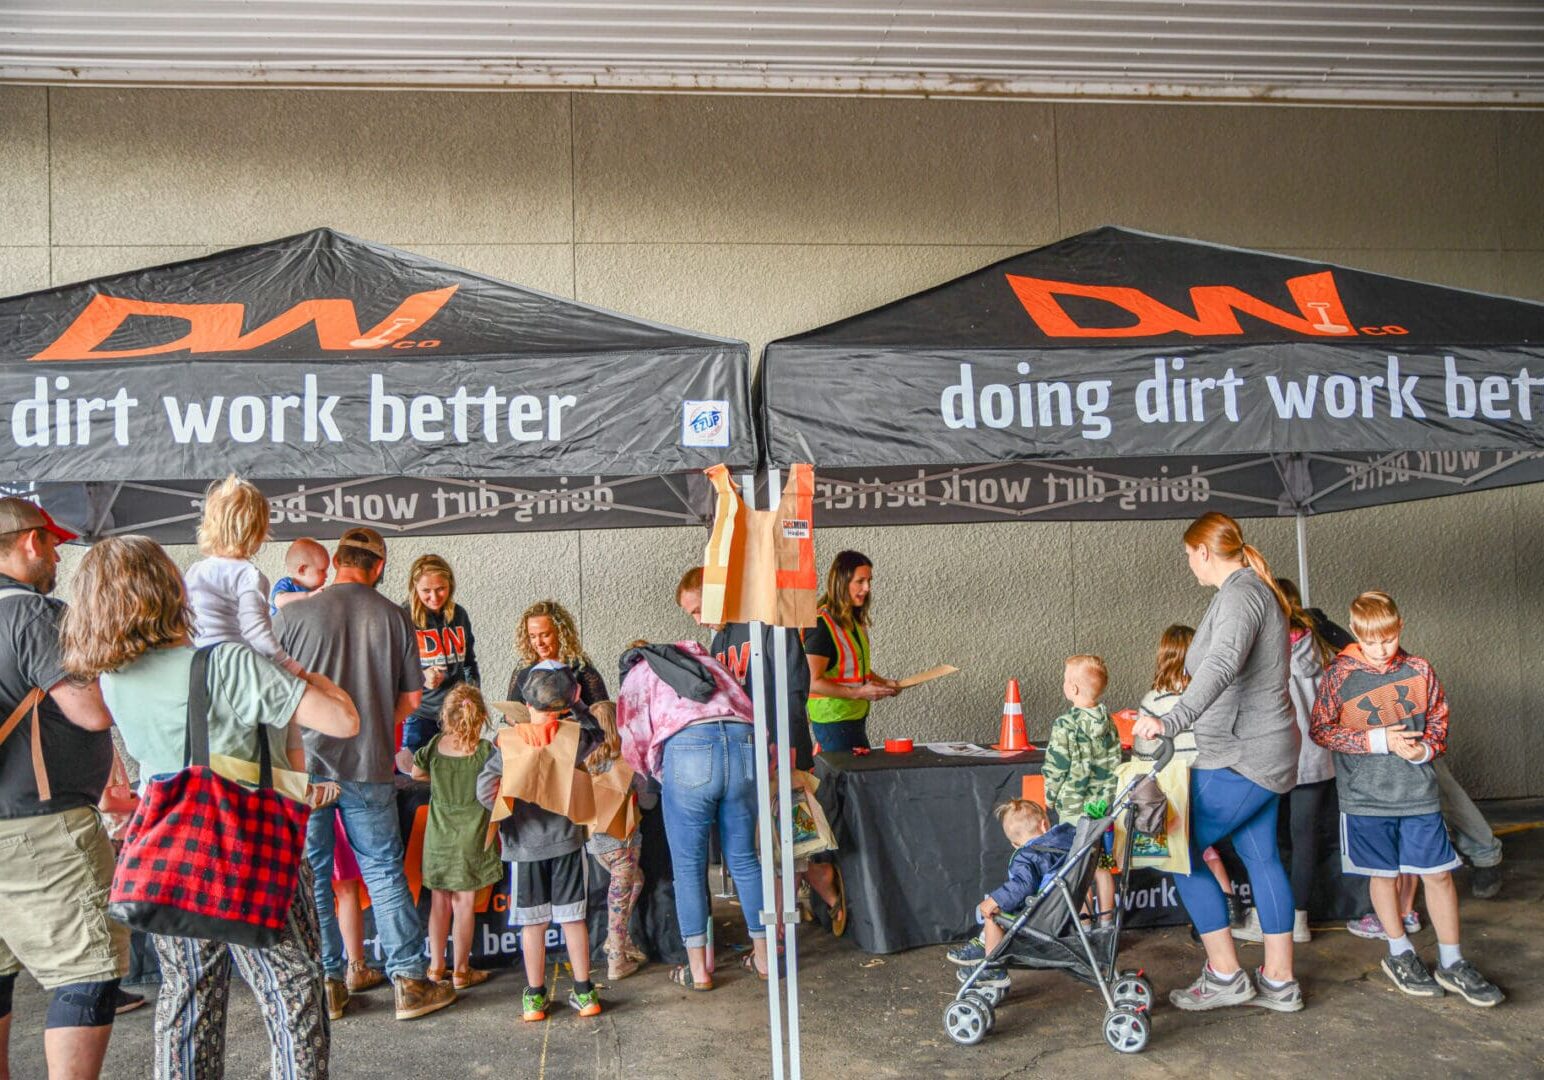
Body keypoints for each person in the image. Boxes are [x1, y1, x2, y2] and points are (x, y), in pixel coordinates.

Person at [61, 534, 360, 1080]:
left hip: (168, 852)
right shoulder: (228, 664)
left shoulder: (113, 678)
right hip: (246, 846)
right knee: (291, 989)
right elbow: (343, 721)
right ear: (166, 590)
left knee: (187, 998)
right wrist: (291, 668)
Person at [274, 527, 455, 1023]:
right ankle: (411, 984)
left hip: (306, 766)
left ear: (335, 562)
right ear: (379, 566)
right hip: (369, 762)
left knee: (315, 878)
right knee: (382, 869)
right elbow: (414, 701)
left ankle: (329, 985)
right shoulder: (394, 616)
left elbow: (278, 690)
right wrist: (376, 722)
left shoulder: (294, 614)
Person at [1131, 511, 1302, 1014]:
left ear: (1203, 551)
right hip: (1258, 750)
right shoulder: (1248, 592)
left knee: (1176, 848)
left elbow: (1223, 664)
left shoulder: (1242, 594)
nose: (1189, 564)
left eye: (1188, 555)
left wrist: (1171, 720)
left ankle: (1226, 974)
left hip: (1242, 754)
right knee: (1262, 857)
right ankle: (1279, 980)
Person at [1309, 591, 1503, 1007]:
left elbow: (1438, 722)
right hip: (1365, 799)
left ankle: (1452, 961)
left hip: (1418, 794)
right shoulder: (1339, 675)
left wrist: (1426, 750)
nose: (1380, 651)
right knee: (1384, 876)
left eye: (1388, 639)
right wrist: (1378, 740)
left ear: (1400, 629)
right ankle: (1399, 953)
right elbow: (1321, 730)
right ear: (1356, 633)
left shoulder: (1420, 669)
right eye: (1370, 641)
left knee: (1439, 875)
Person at [0, 499, 125, 1080]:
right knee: (88, 973)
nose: (56, 556)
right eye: (51, 544)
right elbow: (92, 710)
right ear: (29, 542)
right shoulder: (35, 614)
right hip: (42, 829)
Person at [674, 567, 836, 928]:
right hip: (748, 757)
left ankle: (781, 926)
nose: (699, 620)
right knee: (760, 848)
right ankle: (786, 916)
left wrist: (790, 746)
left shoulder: (767, 624)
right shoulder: (720, 642)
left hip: (781, 750)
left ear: (719, 594)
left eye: (700, 609)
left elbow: (795, 687)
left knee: (790, 844)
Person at [616, 640, 769, 991]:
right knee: (745, 859)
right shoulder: (709, 662)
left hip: (688, 747)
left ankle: (698, 970)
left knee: (688, 869)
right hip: (744, 743)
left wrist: (655, 775)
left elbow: (633, 735)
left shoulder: (642, 670)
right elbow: (747, 708)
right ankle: (763, 957)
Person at [476, 664, 603, 1021]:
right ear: (564, 704)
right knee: (573, 920)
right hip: (565, 842)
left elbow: (486, 792)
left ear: (526, 703)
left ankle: (534, 997)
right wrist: (578, 706)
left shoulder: (508, 743)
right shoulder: (571, 737)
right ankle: (584, 992)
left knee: (533, 925)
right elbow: (598, 734)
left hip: (523, 846)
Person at [1232, 577, 1337, 945]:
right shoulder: (1321, 649)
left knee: (1269, 843)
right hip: (1317, 760)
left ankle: (1269, 918)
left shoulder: (1265, 651)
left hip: (1274, 759)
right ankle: (1299, 921)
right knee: (1305, 840)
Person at [1137, 625, 1243, 932]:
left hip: (1174, 788)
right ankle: (1229, 904)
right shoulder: (1207, 695)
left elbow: (1146, 754)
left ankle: (1213, 915)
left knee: (1191, 852)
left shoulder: (1154, 700)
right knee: (1206, 848)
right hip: (1210, 779)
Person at [409, 683, 501, 989]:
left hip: (439, 837)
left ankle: (436, 968)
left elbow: (415, 773)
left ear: (446, 716)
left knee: (439, 903)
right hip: (471, 837)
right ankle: (461, 970)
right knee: (464, 904)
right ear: (481, 717)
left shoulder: (436, 745)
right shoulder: (486, 751)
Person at [183, 475, 304, 676]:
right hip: (236, 668)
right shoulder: (249, 576)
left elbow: (185, 620)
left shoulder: (195, 570)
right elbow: (255, 632)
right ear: (258, 530)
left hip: (200, 665)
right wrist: (291, 666)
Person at [946, 798, 1074, 975]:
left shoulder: (1027, 856)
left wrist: (994, 900)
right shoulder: (1069, 841)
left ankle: (991, 969)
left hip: (1039, 918)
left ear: (1015, 844)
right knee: (1001, 906)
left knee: (992, 913)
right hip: (1061, 911)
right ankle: (983, 945)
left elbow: (1023, 885)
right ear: (1045, 825)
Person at [1041, 655, 1120, 924]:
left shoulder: (1065, 724)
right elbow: (1116, 762)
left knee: (1079, 867)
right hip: (1104, 809)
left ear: (1072, 689)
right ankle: (1107, 922)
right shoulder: (1109, 722)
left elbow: (1057, 764)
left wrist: (1050, 795)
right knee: (1102, 865)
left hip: (1075, 808)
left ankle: (1084, 922)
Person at [802, 550, 899, 754]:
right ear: (841, 582)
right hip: (833, 721)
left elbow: (854, 667)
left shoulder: (853, 621)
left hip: (852, 719)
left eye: (869, 581)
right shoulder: (822, 624)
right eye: (860, 581)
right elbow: (812, 680)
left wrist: (884, 683)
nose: (867, 588)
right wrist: (858, 693)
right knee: (847, 784)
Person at [583, 702, 649, 982]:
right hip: (624, 843)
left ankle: (617, 941)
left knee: (636, 881)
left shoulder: (585, 764)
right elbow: (648, 799)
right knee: (618, 900)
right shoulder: (626, 762)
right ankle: (616, 960)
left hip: (596, 845)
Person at [401, 554, 480, 757]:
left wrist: (473, 697)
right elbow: (390, 669)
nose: (434, 597)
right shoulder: (403, 618)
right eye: (426, 591)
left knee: (456, 779)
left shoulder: (459, 614)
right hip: (420, 715)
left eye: (440, 589)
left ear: (450, 585)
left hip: (457, 713)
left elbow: (469, 663)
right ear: (414, 587)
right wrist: (421, 677)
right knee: (417, 781)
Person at [508, 599, 608, 707]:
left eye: (545, 635)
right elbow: (510, 709)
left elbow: (603, 714)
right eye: (532, 636)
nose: (538, 642)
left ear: (561, 634)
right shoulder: (524, 667)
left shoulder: (580, 668)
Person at [269, 537, 330, 613]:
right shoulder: (288, 583)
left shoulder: (314, 592)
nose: (326, 575)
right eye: (322, 570)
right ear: (302, 570)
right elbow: (279, 601)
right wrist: (308, 595)